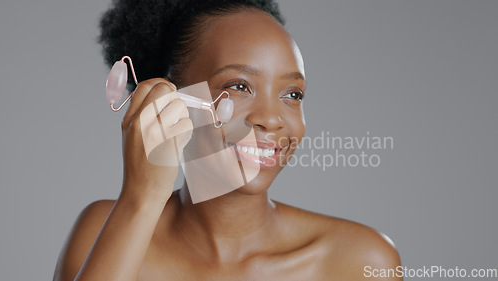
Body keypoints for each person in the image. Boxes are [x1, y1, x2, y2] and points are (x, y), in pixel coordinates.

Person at [54, 0, 402, 280]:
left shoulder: (360, 262)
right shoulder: (102, 230)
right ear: (167, 95)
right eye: (239, 86)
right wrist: (141, 198)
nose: (271, 118)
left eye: (293, 94)